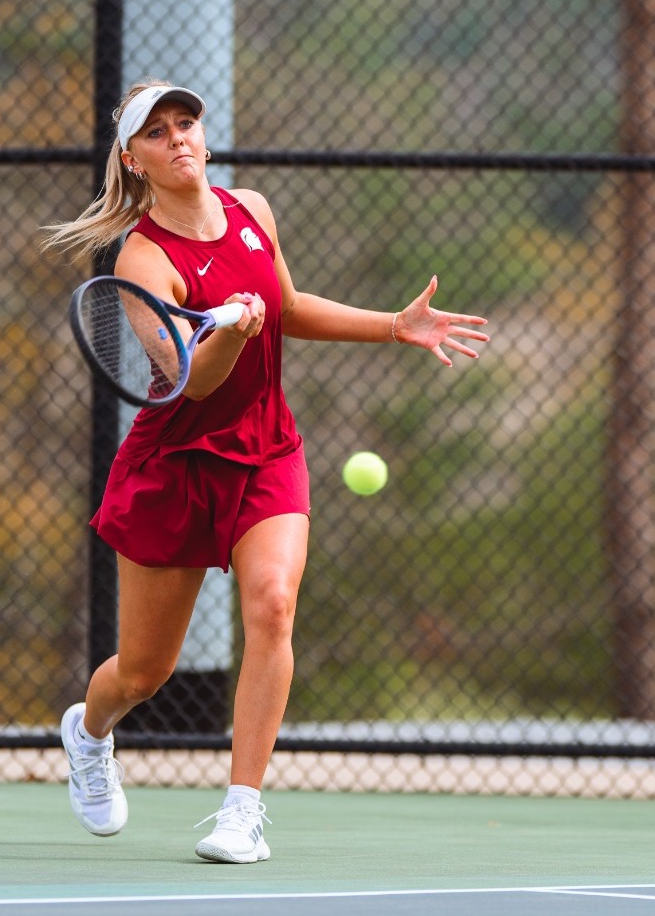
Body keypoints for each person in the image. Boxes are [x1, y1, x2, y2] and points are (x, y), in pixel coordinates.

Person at [40, 80, 489, 864]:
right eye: (158, 132)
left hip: (267, 453)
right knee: (144, 673)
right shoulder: (141, 260)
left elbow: (286, 306)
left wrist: (393, 326)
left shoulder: (253, 210)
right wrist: (232, 332)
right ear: (135, 160)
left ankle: (241, 810)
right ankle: (89, 730)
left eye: (188, 123)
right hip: (173, 466)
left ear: (205, 140)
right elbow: (196, 379)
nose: (179, 138)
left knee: (274, 606)